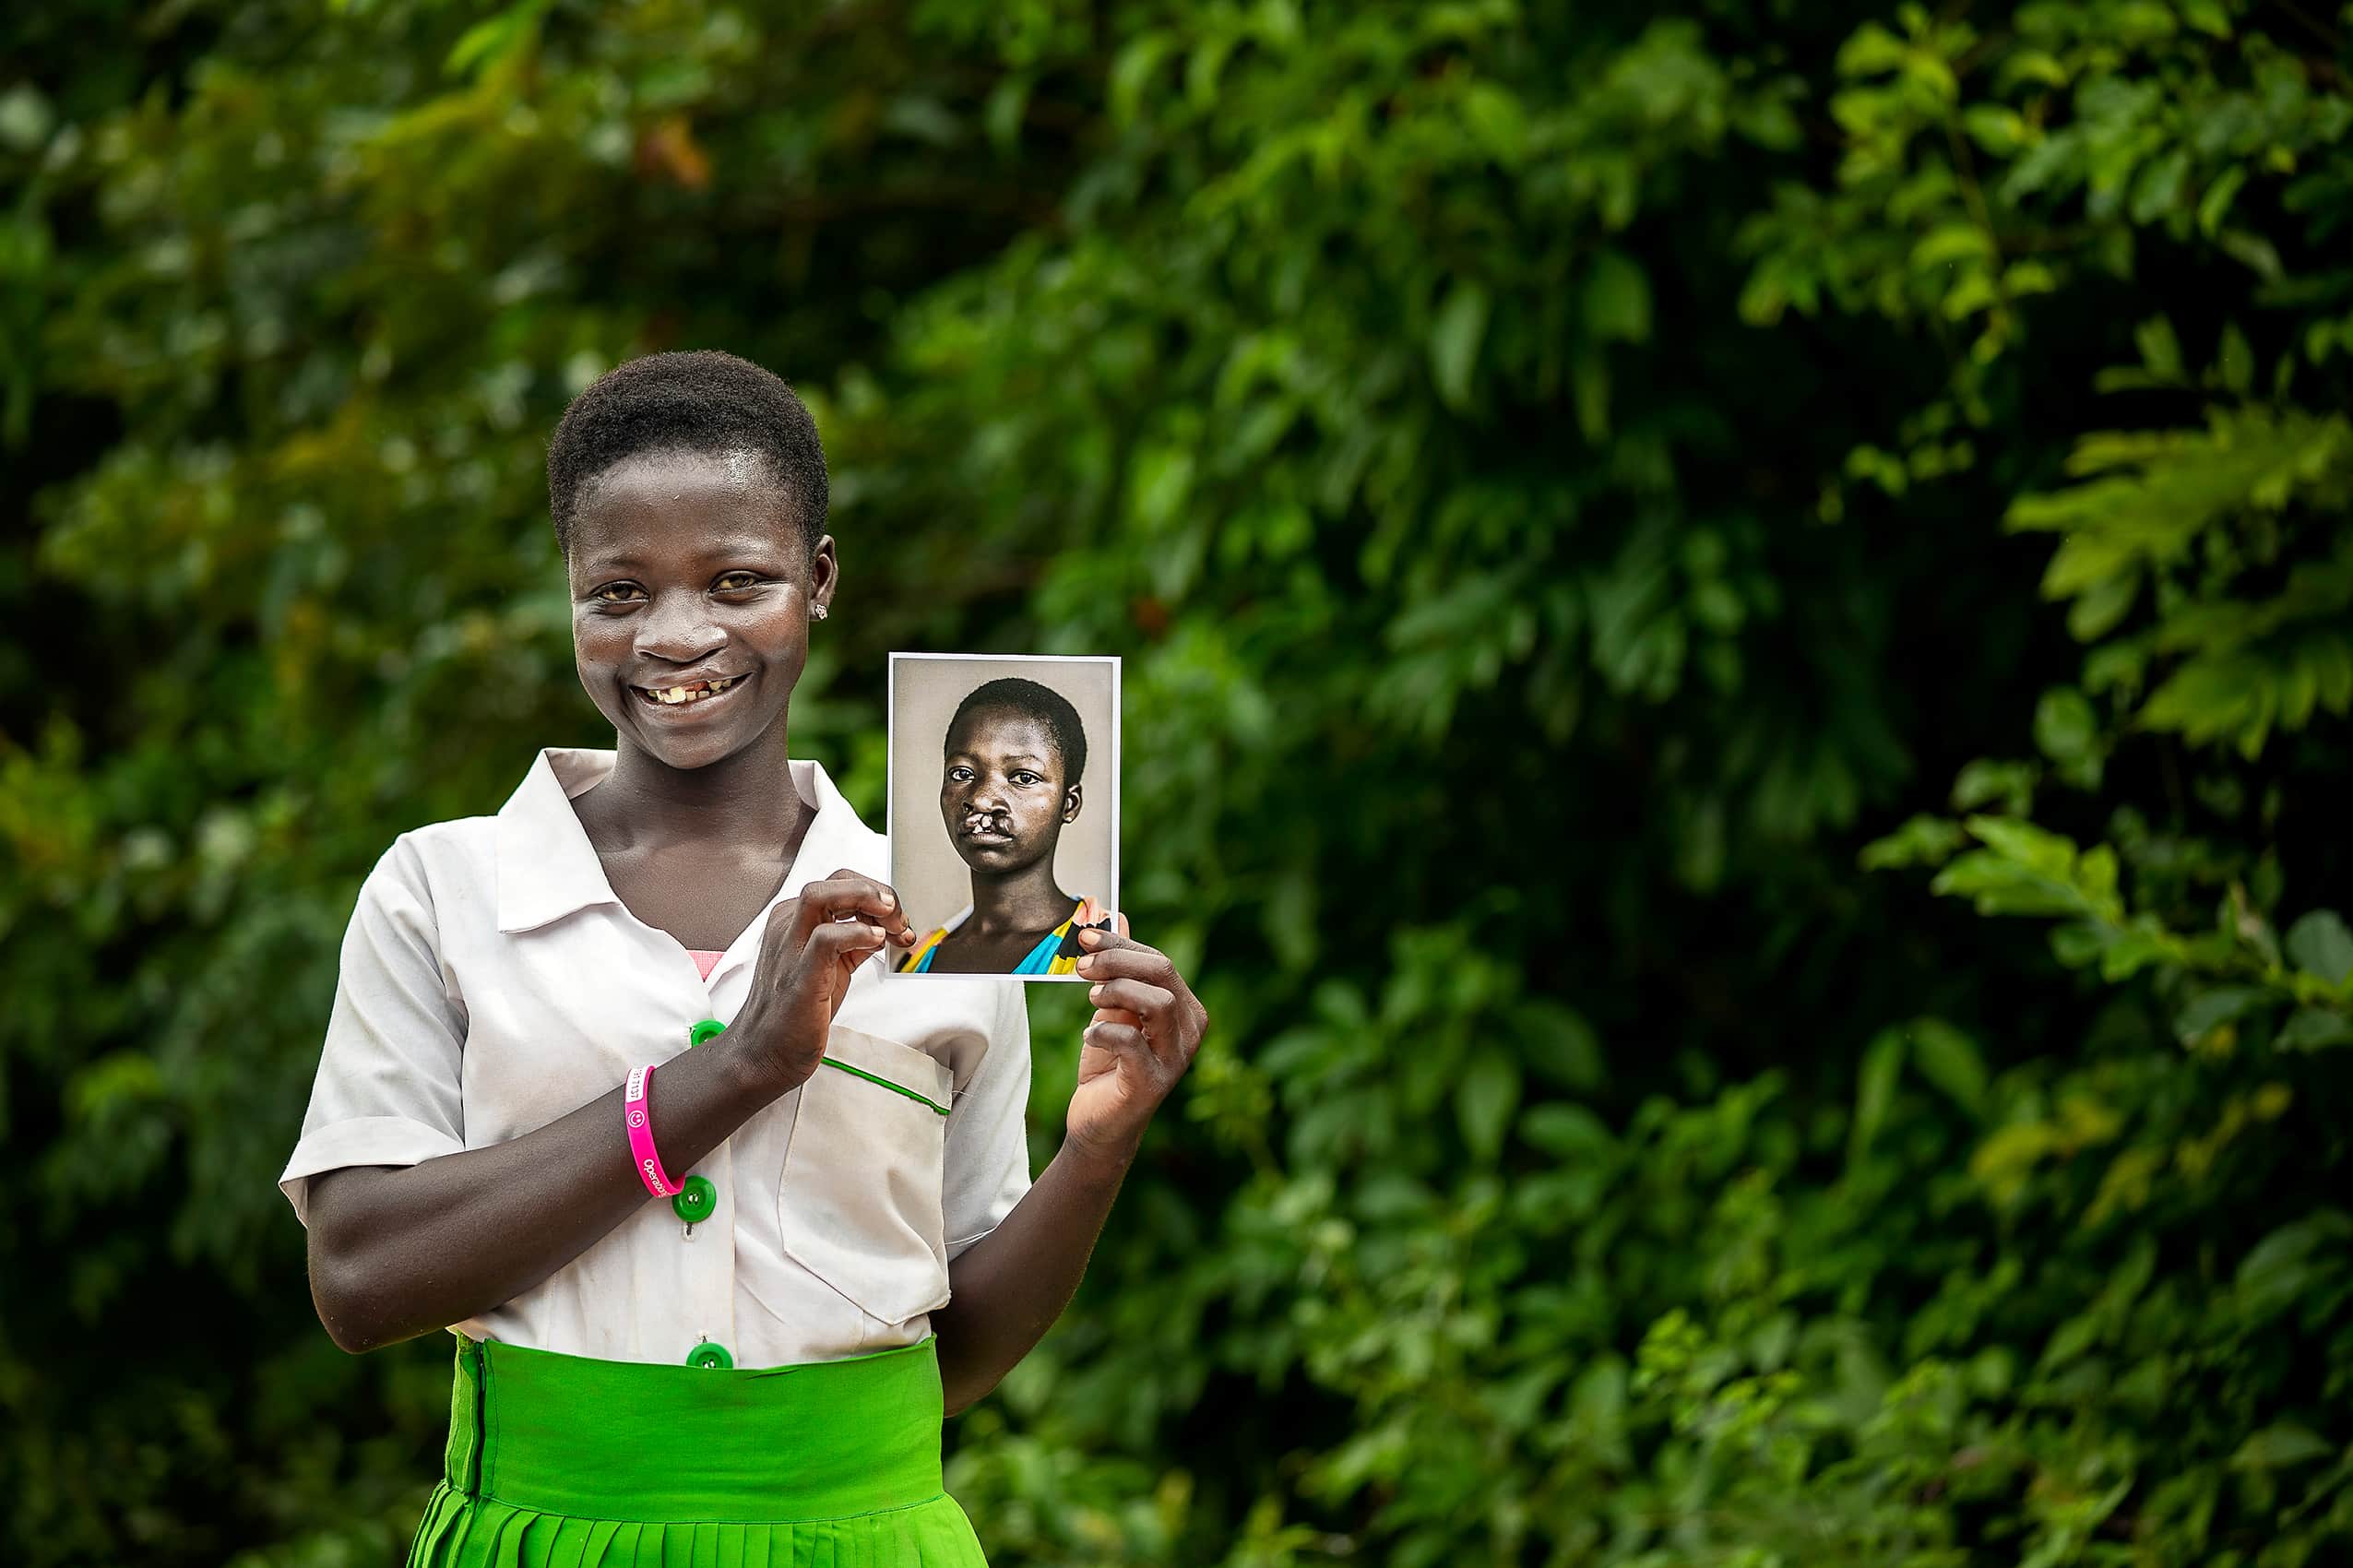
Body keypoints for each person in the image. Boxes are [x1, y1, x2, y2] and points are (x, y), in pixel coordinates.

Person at [277, 349, 1210, 1567]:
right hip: (548, 1535)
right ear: (568, 593)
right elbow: (360, 1278)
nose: (675, 635)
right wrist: (738, 1069)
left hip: (864, 1540)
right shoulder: (445, 890)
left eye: (735, 581)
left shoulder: (949, 917)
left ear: (816, 583)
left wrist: (1097, 1151)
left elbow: (957, 1352)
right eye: (617, 591)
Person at [898, 677, 1109, 977]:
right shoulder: (915, 959)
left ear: (1069, 804)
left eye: (1023, 777)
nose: (982, 799)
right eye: (961, 773)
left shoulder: (1096, 949)